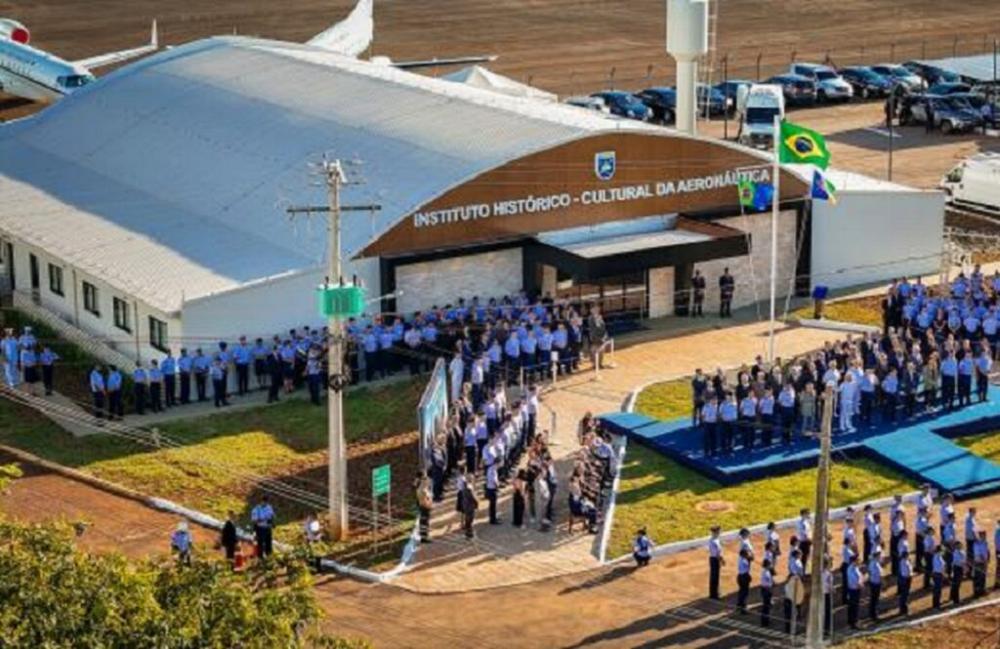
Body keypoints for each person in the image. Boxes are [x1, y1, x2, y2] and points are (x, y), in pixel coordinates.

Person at [846, 553, 863, 629]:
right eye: (857, 560)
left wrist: (860, 581)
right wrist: (859, 583)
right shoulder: (850, 569)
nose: (859, 561)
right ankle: (854, 622)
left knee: (855, 606)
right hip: (853, 590)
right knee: (853, 606)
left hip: (856, 589)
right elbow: (853, 579)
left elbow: (860, 576)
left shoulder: (856, 568)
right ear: (854, 561)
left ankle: (854, 621)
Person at [459, 472, 478, 539]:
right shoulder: (470, 488)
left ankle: (468, 532)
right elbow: (473, 497)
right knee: (470, 519)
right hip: (470, 505)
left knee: (467, 518)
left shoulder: (464, 486)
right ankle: (470, 533)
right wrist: (477, 503)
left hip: (465, 504)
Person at [416, 472, 433, 543]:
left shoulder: (423, 488)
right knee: (424, 522)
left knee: (424, 522)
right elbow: (424, 500)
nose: (427, 480)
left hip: (424, 507)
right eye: (425, 479)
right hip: (424, 507)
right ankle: (424, 537)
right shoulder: (422, 490)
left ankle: (424, 536)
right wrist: (428, 505)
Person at [972, 530, 990, 598]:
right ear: (980, 536)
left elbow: (987, 552)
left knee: (982, 577)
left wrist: (987, 559)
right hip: (980, 562)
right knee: (979, 578)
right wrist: (985, 562)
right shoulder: (978, 544)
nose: (984, 536)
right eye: (983, 535)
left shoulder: (984, 543)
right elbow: (979, 554)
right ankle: (977, 592)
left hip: (982, 562)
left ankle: (981, 591)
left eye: (985, 535)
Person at [708, 525, 724, 599]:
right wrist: (721, 560)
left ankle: (715, 592)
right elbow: (716, 554)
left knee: (715, 576)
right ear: (716, 532)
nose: (720, 532)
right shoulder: (713, 541)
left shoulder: (716, 539)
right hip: (714, 559)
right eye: (719, 531)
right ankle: (714, 594)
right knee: (714, 577)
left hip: (715, 559)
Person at [868, 548, 883, 621]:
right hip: (875, 583)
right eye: (879, 555)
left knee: (875, 599)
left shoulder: (875, 562)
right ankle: (873, 615)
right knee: (874, 599)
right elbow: (875, 573)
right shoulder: (874, 563)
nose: (880, 557)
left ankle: (873, 614)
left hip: (875, 582)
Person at [736, 547, 753, 614]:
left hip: (740, 576)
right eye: (746, 554)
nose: (748, 555)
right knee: (745, 592)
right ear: (744, 555)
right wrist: (749, 560)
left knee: (741, 591)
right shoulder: (744, 561)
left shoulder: (740, 559)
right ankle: (743, 608)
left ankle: (739, 604)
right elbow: (748, 567)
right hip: (744, 576)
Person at [951, 541, 966, 606]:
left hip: (959, 568)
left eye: (960, 545)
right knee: (956, 584)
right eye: (957, 545)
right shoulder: (956, 552)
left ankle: (954, 598)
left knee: (957, 584)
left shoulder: (962, 552)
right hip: (957, 568)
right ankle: (956, 600)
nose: (959, 546)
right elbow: (959, 561)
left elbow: (964, 560)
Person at [760, 558, 774, 628]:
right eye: (770, 564)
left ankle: (766, 621)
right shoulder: (766, 572)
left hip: (766, 589)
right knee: (766, 606)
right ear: (768, 565)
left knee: (767, 606)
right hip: (766, 589)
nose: (771, 565)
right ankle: (765, 622)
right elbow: (768, 583)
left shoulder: (766, 571)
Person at [898, 549, 913, 615]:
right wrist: (909, 576)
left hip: (906, 579)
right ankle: (903, 610)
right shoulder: (903, 562)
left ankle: (904, 609)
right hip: (905, 580)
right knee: (904, 595)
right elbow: (905, 573)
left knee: (905, 594)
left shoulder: (906, 561)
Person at [931, 543, 946, 608]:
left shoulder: (938, 556)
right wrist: (943, 573)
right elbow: (939, 567)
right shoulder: (937, 557)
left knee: (938, 590)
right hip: (938, 574)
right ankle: (936, 605)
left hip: (938, 574)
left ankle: (937, 603)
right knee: (937, 590)